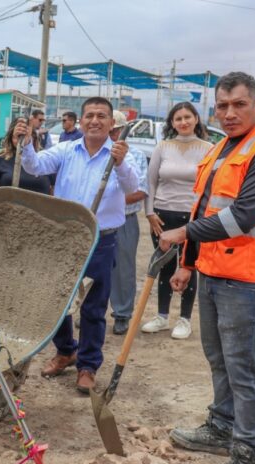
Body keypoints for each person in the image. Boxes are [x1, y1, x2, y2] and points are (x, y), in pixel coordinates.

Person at [159, 72, 255, 464]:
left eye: (239, 104)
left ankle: (247, 454)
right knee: (219, 359)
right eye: (222, 106)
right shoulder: (221, 148)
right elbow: (202, 210)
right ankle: (221, 427)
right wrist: (187, 262)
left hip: (252, 279)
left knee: (245, 369)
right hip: (216, 272)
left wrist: (182, 235)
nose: (230, 112)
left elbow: (239, 218)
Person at [14, 97, 139, 393]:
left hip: (101, 239)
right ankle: (66, 350)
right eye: (89, 116)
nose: (95, 120)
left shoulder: (121, 154)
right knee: (56, 299)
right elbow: (35, 166)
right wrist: (28, 142)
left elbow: (134, 188)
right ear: (81, 121)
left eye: (101, 116)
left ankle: (88, 365)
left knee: (94, 307)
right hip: (65, 237)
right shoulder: (67, 150)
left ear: (112, 124)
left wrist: (120, 163)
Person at [141, 102, 213, 340]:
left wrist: (201, 219)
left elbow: (209, 188)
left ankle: (184, 319)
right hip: (162, 215)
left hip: (192, 218)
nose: (183, 122)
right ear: (171, 123)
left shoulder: (208, 148)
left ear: (196, 119)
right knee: (164, 266)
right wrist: (150, 212)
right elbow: (150, 182)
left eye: (187, 117)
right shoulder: (162, 147)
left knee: (189, 266)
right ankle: (162, 316)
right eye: (177, 118)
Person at [108, 110, 149, 335]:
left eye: (116, 130)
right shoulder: (96, 151)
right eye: (111, 130)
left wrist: (110, 201)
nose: (113, 134)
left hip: (124, 218)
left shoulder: (137, 155)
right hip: (98, 219)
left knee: (123, 268)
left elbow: (140, 190)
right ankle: (91, 310)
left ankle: (122, 314)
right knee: (93, 268)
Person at [0, 117, 53, 194]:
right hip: (10, 205)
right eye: (19, 136)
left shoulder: (45, 159)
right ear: (11, 137)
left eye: (26, 136)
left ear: (34, 138)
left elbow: (53, 190)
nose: (22, 141)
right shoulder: (0, 159)